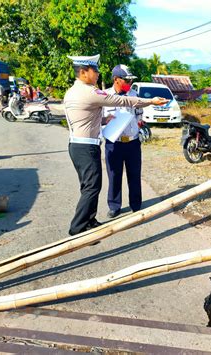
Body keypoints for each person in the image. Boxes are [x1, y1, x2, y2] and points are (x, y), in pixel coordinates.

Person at [64, 54, 168, 236]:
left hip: (92, 144)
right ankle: (78, 228)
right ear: (83, 72)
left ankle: (90, 221)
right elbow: (123, 101)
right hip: (91, 146)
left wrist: (105, 118)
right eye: (94, 70)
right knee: (93, 186)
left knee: (93, 185)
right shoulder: (92, 92)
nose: (97, 74)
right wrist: (151, 101)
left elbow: (88, 117)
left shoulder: (73, 91)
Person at [103, 64, 143, 218]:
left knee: (134, 174)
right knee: (114, 175)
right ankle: (114, 206)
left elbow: (139, 115)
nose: (129, 83)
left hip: (132, 142)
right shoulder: (105, 96)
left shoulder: (134, 95)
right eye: (126, 80)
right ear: (116, 79)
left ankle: (136, 205)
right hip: (114, 143)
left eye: (130, 80)